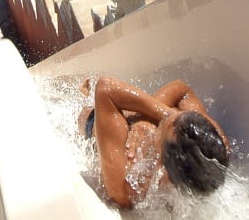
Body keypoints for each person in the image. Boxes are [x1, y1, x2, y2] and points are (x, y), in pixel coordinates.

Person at [79, 77, 230, 209]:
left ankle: (86, 93)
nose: (173, 116)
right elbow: (181, 88)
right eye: (180, 115)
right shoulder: (212, 142)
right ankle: (85, 95)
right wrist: (150, 118)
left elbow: (106, 89)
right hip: (95, 119)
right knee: (84, 113)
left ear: (163, 159)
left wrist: (148, 120)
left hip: (113, 129)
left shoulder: (127, 186)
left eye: (167, 124)